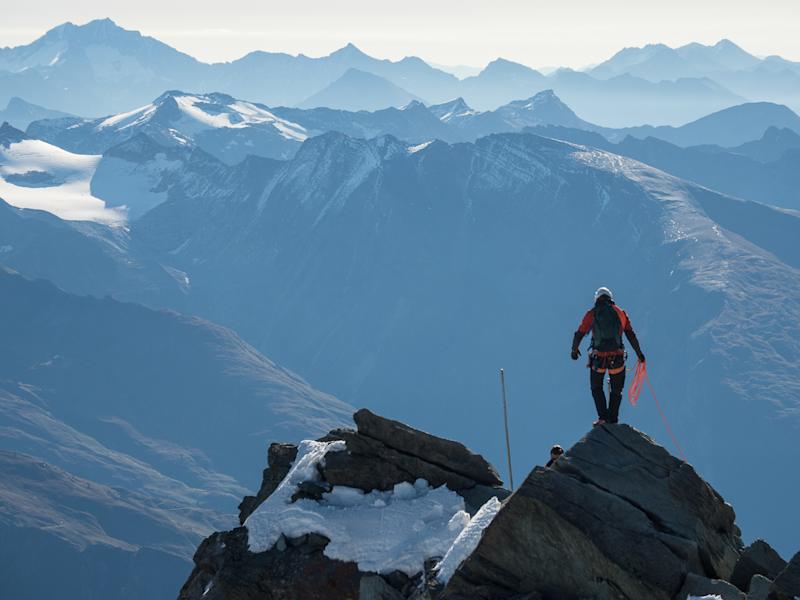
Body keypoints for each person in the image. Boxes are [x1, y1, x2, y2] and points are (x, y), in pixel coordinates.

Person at [571, 287, 645, 426]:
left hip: (598, 359)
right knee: (616, 390)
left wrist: (574, 350)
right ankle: (613, 419)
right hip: (617, 358)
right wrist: (639, 354)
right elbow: (630, 334)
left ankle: (603, 418)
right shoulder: (620, 313)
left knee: (596, 388)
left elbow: (580, 332)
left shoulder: (592, 313)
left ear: (597, 299)